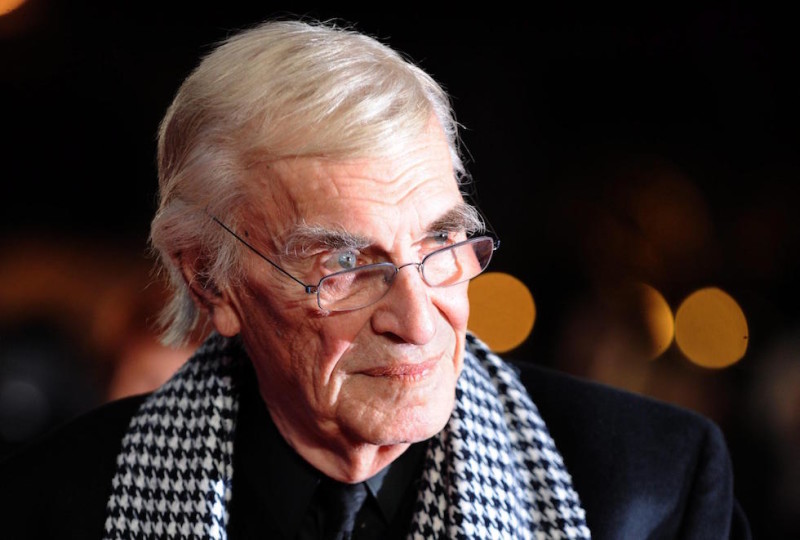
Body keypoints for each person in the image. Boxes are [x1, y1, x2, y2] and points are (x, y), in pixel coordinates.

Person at [0, 20, 749, 539]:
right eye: (345, 266)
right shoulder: (50, 510)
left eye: (441, 241)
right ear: (210, 282)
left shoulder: (655, 489)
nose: (419, 323)